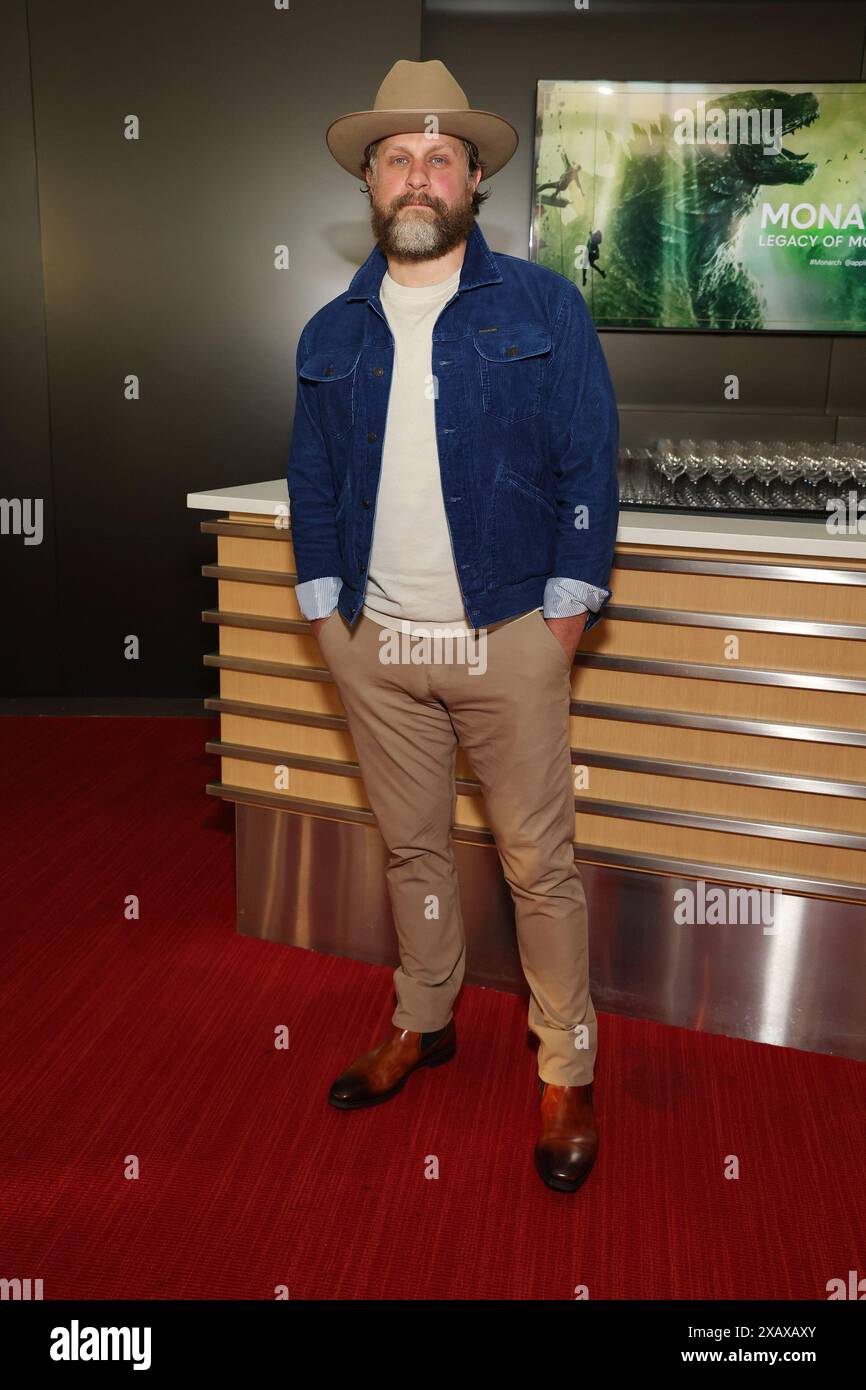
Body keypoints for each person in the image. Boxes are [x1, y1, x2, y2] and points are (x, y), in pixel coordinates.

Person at [286, 59, 620, 1193]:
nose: (416, 176)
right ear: (370, 184)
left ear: (473, 180)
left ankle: (564, 1064)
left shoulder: (542, 307)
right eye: (396, 158)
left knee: (538, 863)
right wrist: (324, 608)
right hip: (378, 648)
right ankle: (424, 1019)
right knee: (415, 849)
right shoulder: (334, 329)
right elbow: (313, 473)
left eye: (439, 158)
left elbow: (590, 459)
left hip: (508, 636)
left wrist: (564, 612)